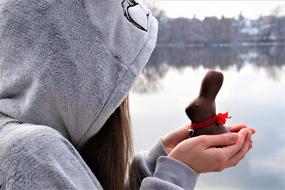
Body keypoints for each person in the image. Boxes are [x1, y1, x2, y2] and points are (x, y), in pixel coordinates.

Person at [0, 0, 255, 189]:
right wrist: (178, 173)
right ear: (83, 75)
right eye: (118, 83)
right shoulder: (34, 153)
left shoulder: (13, 139)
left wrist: (159, 163)